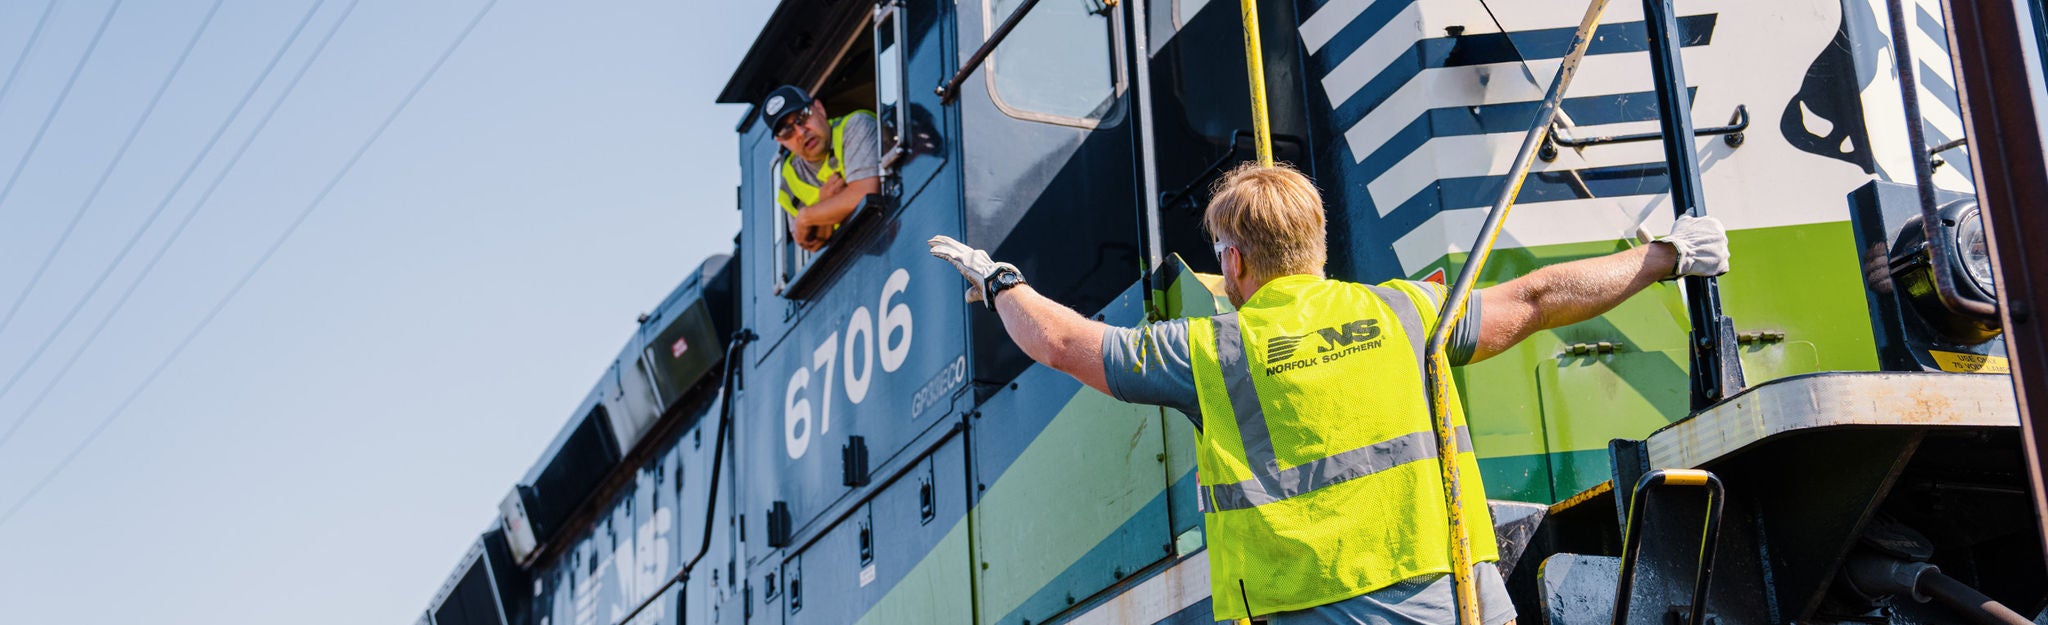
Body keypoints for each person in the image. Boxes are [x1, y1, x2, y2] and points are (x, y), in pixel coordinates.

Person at [926, 162, 1730, 624]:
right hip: (1458, 602)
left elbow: (1063, 342)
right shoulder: (1409, 309)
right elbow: (1541, 297)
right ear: (1314, 244)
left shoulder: (1211, 349)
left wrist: (1000, 281)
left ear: (1233, 262)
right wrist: (1664, 254)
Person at [759, 84, 882, 251]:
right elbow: (812, 243)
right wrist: (825, 202)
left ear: (819, 108)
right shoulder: (790, 181)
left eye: (802, 117)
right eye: (787, 131)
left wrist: (805, 216)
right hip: (858, 256)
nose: (801, 132)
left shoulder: (855, 126)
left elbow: (865, 193)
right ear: (781, 142)